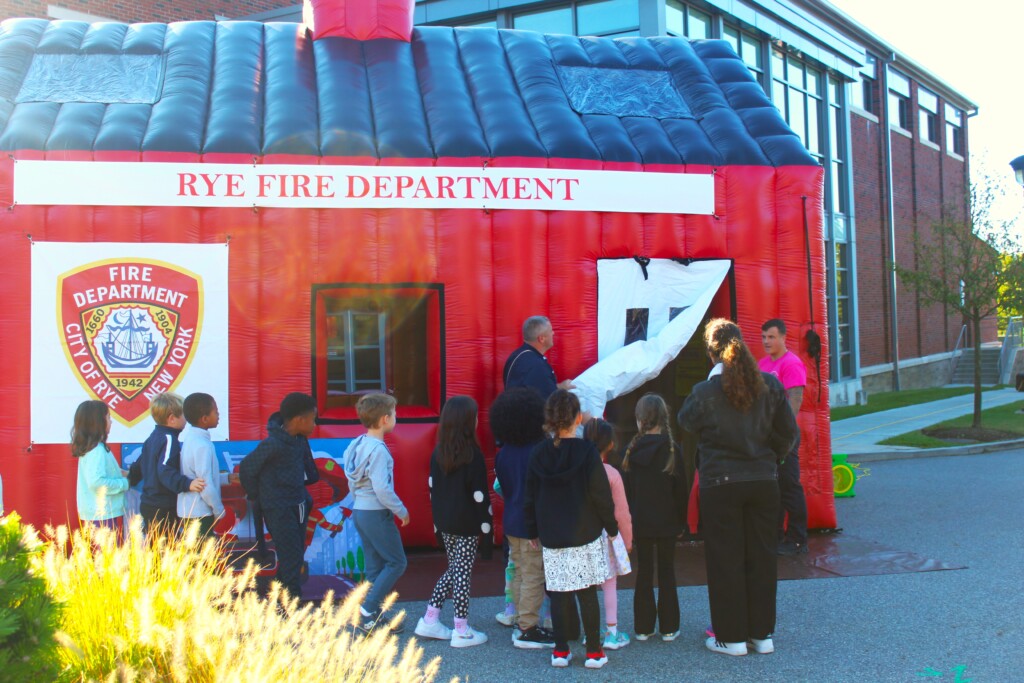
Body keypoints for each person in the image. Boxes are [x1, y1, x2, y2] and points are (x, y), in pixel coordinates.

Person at [679, 318, 798, 657]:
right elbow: (789, 434)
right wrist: (769, 456)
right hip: (763, 480)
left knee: (725, 559)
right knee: (762, 557)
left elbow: (685, 422)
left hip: (721, 482)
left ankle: (730, 637)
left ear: (710, 352)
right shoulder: (771, 386)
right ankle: (762, 636)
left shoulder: (706, 391)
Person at [525, 390, 618, 670]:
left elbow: (530, 496)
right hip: (585, 532)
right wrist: (611, 528)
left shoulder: (538, 454)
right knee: (587, 593)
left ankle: (561, 651)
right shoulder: (587, 452)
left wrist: (532, 530)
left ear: (550, 420)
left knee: (559, 592)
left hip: (552, 533)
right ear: (578, 418)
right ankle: (593, 652)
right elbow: (601, 494)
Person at [414, 396, 492, 648]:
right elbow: (480, 496)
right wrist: (487, 527)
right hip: (468, 524)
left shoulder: (439, 453)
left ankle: (431, 618)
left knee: (456, 570)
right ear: (469, 423)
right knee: (461, 573)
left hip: (445, 523)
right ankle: (461, 628)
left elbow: (432, 490)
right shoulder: (473, 455)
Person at [491, 388, 556, 649]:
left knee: (518, 572)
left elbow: (504, 489)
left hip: (512, 520)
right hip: (533, 524)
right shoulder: (540, 450)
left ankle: (520, 620)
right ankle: (527, 628)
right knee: (533, 575)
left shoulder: (503, 454)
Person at [618, 393, 686, 642]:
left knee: (644, 571)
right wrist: (681, 522)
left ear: (639, 420)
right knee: (667, 571)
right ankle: (669, 627)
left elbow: (624, 494)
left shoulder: (629, 451)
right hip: (668, 522)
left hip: (640, 523)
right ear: (664, 418)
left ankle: (643, 627)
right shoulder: (672, 449)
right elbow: (681, 491)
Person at [240, 392, 319, 601]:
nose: (314, 424)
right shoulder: (273, 443)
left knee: (295, 555)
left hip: (299, 504)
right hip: (278, 507)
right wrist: (259, 496)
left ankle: (280, 599)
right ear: (299, 420)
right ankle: (291, 602)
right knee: (290, 555)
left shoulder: (300, 440)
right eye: (312, 419)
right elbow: (247, 469)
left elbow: (309, 470)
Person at [343, 392, 409, 633]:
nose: (396, 417)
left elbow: (350, 478)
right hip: (376, 512)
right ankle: (367, 610)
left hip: (360, 510)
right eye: (394, 414)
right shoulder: (379, 450)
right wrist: (400, 510)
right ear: (384, 419)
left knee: (374, 567)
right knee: (397, 562)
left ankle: (373, 614)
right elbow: (382, 487)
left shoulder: (356, 444)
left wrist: (358, 500)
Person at [759, 318, 809, 555]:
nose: (767, 341)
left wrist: (785, 432)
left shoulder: (791, 364)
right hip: (767, 436)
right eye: (764, 337)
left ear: (783, 338)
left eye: (771, 337)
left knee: (789, 486)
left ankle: (798, 538)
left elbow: (796, 398)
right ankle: (776, 534)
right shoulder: (762, 364)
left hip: (784, 437)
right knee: (773, 487)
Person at [582, 418, 633, 651]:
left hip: (583, 534)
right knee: (609, 584)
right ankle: (612, 632)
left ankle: (590, 633)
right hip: (608, 535)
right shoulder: (612, 473)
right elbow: (621, 512)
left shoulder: (578, 470)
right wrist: (626, 540)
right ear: (610, 445)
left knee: (588, 586)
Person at [131, 391, 205, 536]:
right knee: (167, 550)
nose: (187, 419)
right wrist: (186, 483)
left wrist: (129, 478)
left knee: (157, 550)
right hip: (163, 507)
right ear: (172, 418)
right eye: (183, 415)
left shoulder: (152, 438)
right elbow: (165, 470)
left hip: (149, 504)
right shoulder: (169, 439)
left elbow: (140, 464)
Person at [71, 400, 128, 533]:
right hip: (101, 513)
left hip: (100, 512)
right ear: (98, 423)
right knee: (106, 552)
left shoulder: (95, 448)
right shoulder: (96, 451)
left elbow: (103, 472)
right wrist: (125, 483)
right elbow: (97, 482)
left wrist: (124, 473)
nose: (111, 422)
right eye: (108, 417)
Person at [178, 393, 225, 538]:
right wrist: (218, 510)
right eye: (216, 412)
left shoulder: (192, 439)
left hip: (191, 511)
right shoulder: (202, 445)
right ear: (204, 419)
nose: (218, 415)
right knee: (204, 559)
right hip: (200, 513)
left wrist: (227, 478)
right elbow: (204, 483)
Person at [503, 316, 576, 399]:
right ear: (541, 339)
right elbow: (549, 401)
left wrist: (560, 387)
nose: (553, 333)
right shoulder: (537, 365)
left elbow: (536, 388)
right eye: (550, 331)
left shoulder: (517, 355)